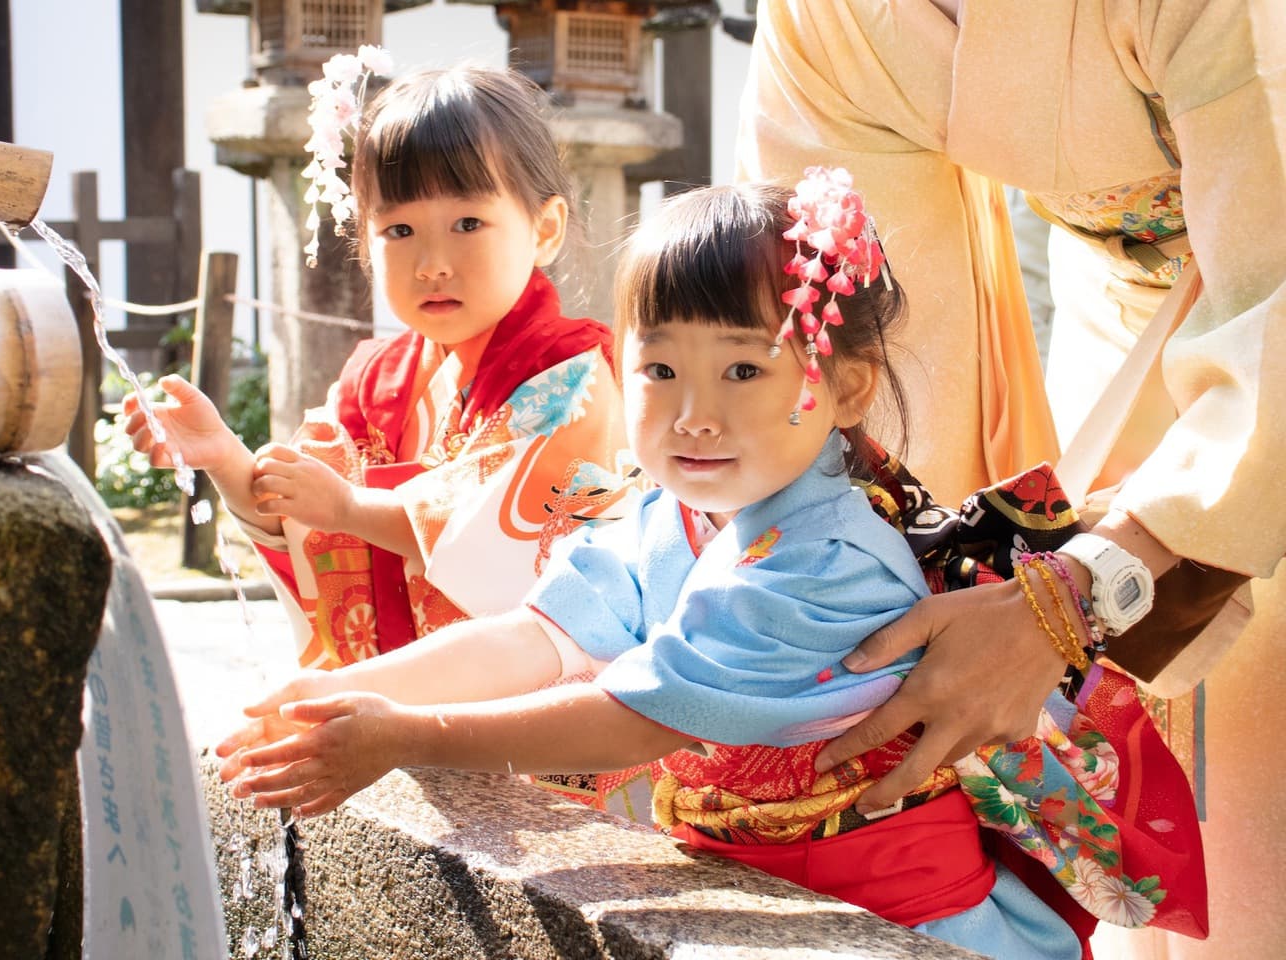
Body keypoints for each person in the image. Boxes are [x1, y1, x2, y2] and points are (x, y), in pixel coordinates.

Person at [211, 179, 1208, 959]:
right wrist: (341, 689)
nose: (693, 413)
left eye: (741, 369)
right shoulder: (675, 511)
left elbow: (637, 716)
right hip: (770, 887)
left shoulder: (824, 556)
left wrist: (403, 738)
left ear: (844, 386)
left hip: (899, 923)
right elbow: (540, 636)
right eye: (658, 370)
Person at [736, 1, 1285, 956]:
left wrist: (1069, 596)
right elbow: (876, 345)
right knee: (1099, 737)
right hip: (1116, 324)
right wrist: (907, 585)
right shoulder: (827, 15)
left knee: (1252, 774)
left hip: (1263, 327)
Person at [124, 65, 630, 670]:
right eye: (399, 229)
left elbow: (499, 544)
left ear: (544, 229)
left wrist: (347, 509)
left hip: (536, 725)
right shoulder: (374, 382)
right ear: (365, 241)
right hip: (410, 711)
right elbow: (304, 515)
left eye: (468, 223)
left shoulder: (570, 377)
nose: (432, 263)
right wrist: (225, 456)